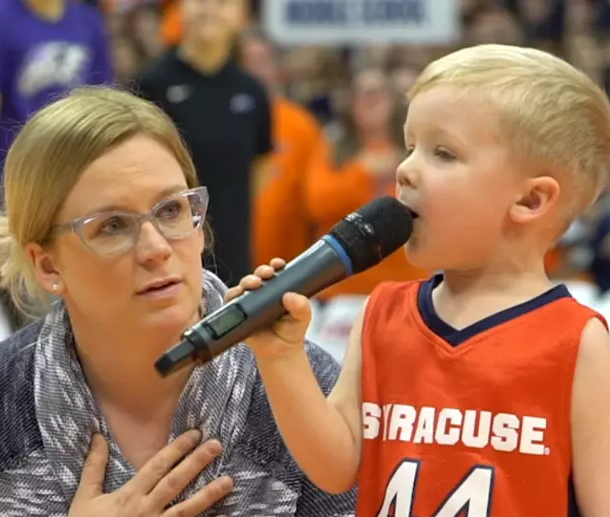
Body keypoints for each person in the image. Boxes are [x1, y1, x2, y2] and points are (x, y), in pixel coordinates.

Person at [0, 87, 355, 517]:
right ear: (48, 266)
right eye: (112, 225)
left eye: (172, 209)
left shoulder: (308, 394)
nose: (155, 247)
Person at [230, 44, 610, 517]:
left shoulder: (577, 341)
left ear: (531, 200)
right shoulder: (381, 313)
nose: (405, 170)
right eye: (410, 146)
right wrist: (281, 357)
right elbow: (335, 468)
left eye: (442, 153)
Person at [0, 0, 114, 318]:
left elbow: (105, 120)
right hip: (21, 205)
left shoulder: (88, 22)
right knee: (35, 335)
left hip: (80, 201)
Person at [135, 0, 272, 285]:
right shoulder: (151, 85)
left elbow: (261, 167)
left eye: (222, 2)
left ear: (241, 16)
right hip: (168, 247)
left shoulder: (252, 91)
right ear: (181, 9)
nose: (209, 8)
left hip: (235, 251)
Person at [305, 66, 426, 299]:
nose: (372, 100)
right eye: (363, 93)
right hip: (341, 289)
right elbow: (316, 203)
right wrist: (363, 172)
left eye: (379, 92)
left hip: (407, 286)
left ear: (393, 100)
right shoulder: (332, 148)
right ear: (349, 103)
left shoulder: (414, 149)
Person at [239, 28, 322, 265]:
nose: (254, 70)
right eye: (246, 62)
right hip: (229, 262)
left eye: (261, 61)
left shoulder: (301, 125)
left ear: (277, 68)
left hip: (287, 267)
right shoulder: (220, 120)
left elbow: (315, 201)